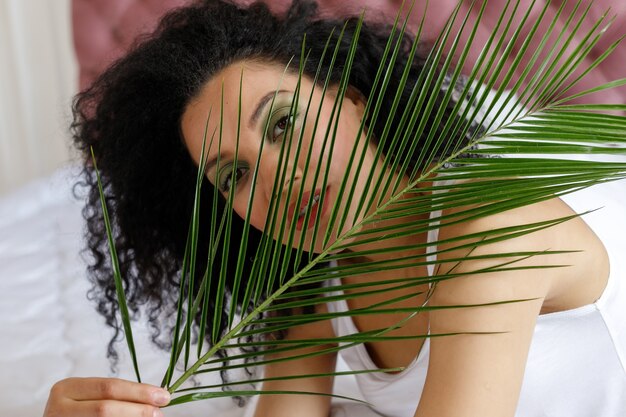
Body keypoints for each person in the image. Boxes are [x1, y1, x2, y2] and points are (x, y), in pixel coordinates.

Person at [44, 1, 626, 416]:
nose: (276, 178)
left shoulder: (492, 228)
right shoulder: (315, 297)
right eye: (235, 175)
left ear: (350, 100)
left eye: (283, 123)